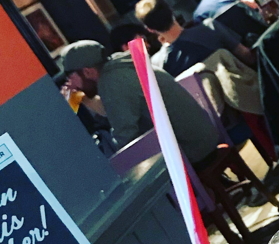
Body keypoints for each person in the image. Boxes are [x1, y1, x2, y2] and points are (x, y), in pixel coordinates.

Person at [60, 40, 219, 164]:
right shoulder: (120, 67)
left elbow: (126, 140)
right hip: (202, 138)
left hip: (192, 151)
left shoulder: (112, 83)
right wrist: (84, 100)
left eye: (70, 76)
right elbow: (119, 111)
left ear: (87, 71)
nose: (70, 83)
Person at [134, 0, 255, 77]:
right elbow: (248, 57)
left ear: (150, 29)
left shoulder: (158, 64)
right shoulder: (210, 27)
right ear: (172, 11)